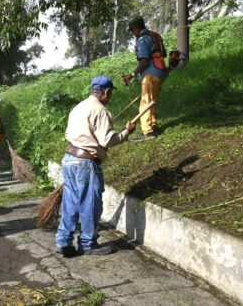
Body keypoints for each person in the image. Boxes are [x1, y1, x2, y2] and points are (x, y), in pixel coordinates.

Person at [55, 75, 135, 257]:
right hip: (85, 162)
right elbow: (107, 140)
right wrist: (126, 132)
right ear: (106, 92)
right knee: (90, 203)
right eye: (110, 93)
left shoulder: (78, 107)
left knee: (71, 202)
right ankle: (88, 243)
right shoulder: (101, 111)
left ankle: (63, 241)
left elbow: (69, 132)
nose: (110, 97)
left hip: (69, 158)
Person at [121, 16, 169, 140]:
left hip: (151, 75)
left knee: (145, 102)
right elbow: (164, 53)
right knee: (152, 100)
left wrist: (131, 75)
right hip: (162, 72)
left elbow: (144, 61)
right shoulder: (155, 35)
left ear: (137, 28)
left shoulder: (142, 39)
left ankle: (147, 131)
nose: (132, 33)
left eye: (132, 30)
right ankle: (153, 125)